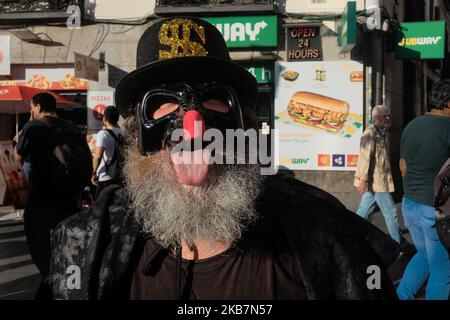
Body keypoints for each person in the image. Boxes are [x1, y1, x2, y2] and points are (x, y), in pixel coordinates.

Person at [44, 17, 400, 300]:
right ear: (136, 134)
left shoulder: (321, 233)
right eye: (162, 102)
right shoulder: (88, 245)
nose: (193, 125)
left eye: (214, 99)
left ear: (243, 122)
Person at [14, 93, 87, 288]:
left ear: (37, 107)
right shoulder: (70, 126)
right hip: (71, 200)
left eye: (32, 107)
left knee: (42, 248)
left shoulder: (34, 126)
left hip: (42, 200)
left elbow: (17, 157)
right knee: (67, 248)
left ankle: (52, 282)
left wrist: (26, 125)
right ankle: (68, 284)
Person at [397, 79, 450, 300]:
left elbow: (402, 165)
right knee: (442, 268)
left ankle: (401, 296)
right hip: (435, 210)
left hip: (410, 205)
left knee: (424, 256)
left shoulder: (412, 125)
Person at [354, 105, 409, 249]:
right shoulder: (370, 134)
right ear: (375, 118)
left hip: (377, 181)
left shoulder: (381, 133)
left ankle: (348, 234)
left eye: (389, 115)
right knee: (391, 213)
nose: (388, 118)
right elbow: (365, 158)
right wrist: (363, 179)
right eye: (385, 116)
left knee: (363, 212)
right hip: (376, 181)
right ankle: (399, 245)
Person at [91, 106, 124, 197]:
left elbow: (98, 157)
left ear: (104, 118)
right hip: (120, 175)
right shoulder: (123, 133)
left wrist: (94, 173)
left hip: (105, 176)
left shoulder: (103, 134)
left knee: (101, 207)